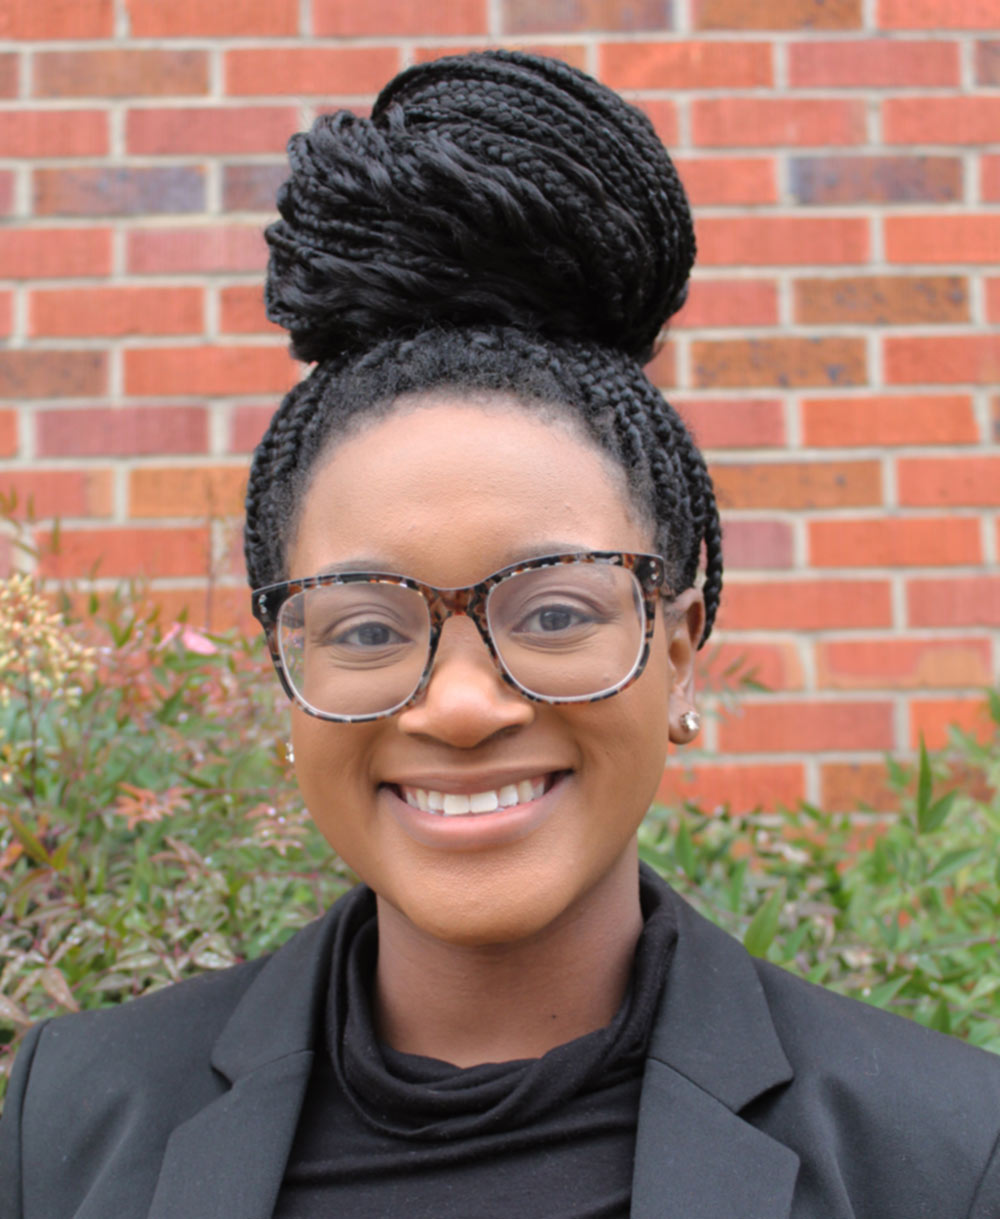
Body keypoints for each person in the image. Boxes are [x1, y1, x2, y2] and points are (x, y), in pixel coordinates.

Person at [2, 50, 999, 1219]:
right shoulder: (76, 1119)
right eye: (368, 625)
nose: (462, 706)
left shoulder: (940, 1153)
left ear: (678, 651)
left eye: (557, 610)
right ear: (290, 673)